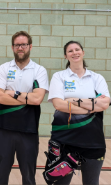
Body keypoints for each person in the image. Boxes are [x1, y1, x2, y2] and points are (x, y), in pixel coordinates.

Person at [47, 41, 110, 185]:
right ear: (65, 56)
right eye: (70, 51)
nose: (74, 53)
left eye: (77, 49)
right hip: (64, 141)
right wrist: (92, 104)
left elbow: (105, 104)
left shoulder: (97, 78)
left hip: (93, 141)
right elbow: (58, 104)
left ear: (83, 52)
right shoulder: (59, 77)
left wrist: (74, 100)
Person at [0, 31, 49, 185]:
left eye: (24, 44)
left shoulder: (39, 70)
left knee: (29, 177)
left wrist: (13, 93)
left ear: (30, 46)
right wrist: (27, 98)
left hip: (29, 131)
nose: (20, 48)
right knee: (1, 176)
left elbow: (37, 99)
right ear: (12, 47)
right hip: (5, 130)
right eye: (17, 45)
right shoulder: (4, 68)